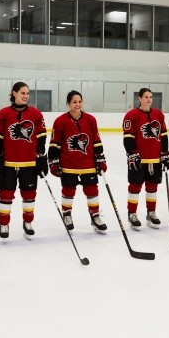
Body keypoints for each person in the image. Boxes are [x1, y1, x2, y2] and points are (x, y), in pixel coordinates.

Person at [0, 82, 48, 239]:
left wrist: (41, 155)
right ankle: (4, 223)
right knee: (5, 194)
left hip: (29, 162)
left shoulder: (36, 114)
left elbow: (41, 136)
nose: (25, 96)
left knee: (29, 194)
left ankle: (27, 222)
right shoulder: (3, 114)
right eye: (22, 93)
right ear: (14, 93)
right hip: (8, 163)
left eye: (27, 93)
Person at [48, 90, 108, 234]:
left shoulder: (90, 119)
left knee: (92, 190)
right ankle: (67, 215)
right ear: (68, 104)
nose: (77, 104)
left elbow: (96, 141)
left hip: (88, 163)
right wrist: (54, 161)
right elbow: (54, 143)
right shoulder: (60, 121)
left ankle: (95, 216)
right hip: (68, 164)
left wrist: (100, 158)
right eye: (74, 102)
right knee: (68, 191)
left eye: (79, 101)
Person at [122, 88, 169, 230]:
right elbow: (128, 137)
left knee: (152, 187)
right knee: (135, 187)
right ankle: (132, 214)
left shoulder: (158, 115)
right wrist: (132, 153)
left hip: (155, 159)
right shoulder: (131, 115)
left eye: (151, 97)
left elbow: (163, 135)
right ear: (140, 98)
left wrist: (165, 153)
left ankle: (151, 213)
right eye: (146, 97)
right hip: (138, 159)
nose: (149, 99)